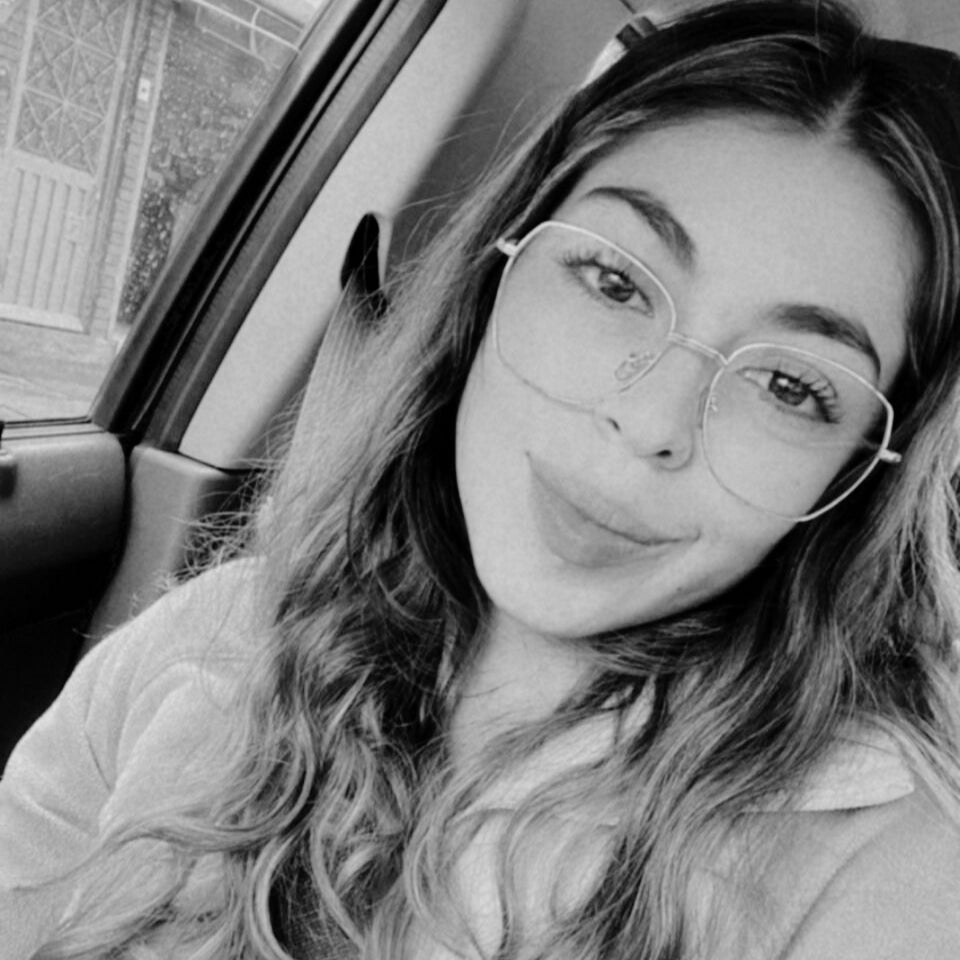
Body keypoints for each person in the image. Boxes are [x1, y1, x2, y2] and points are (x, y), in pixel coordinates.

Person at [3, 1, 960, 957]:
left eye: (792, 386)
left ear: (862, 468)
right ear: (493, 275)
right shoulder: (209, 639)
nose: (651, 423)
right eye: (615, 281)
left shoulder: (885, 872)